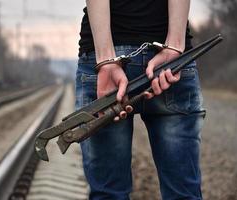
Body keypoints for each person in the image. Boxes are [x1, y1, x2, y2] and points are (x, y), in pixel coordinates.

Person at [75, 0, 205, 199]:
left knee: (108, 194)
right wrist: (175, 45)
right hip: (172, 59)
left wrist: (106, 59)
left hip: (104, 58)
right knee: (184, 194)